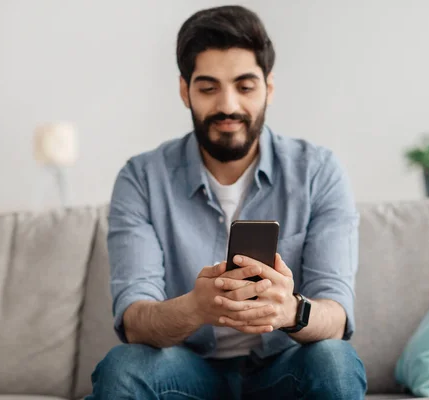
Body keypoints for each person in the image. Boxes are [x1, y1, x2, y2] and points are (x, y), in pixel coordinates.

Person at [87, 5, 367, 400]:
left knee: (335, 362)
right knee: (122, 368)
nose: (228, 106)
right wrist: (196, 308)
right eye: (208, 88)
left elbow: (335, 317)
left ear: (268, 88)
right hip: (187, 369)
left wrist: (290, 310)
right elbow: (135, 320)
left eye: (245, 86)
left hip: (284, 368)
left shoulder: (318, 171)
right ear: (185, 90)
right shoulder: (142, 178)